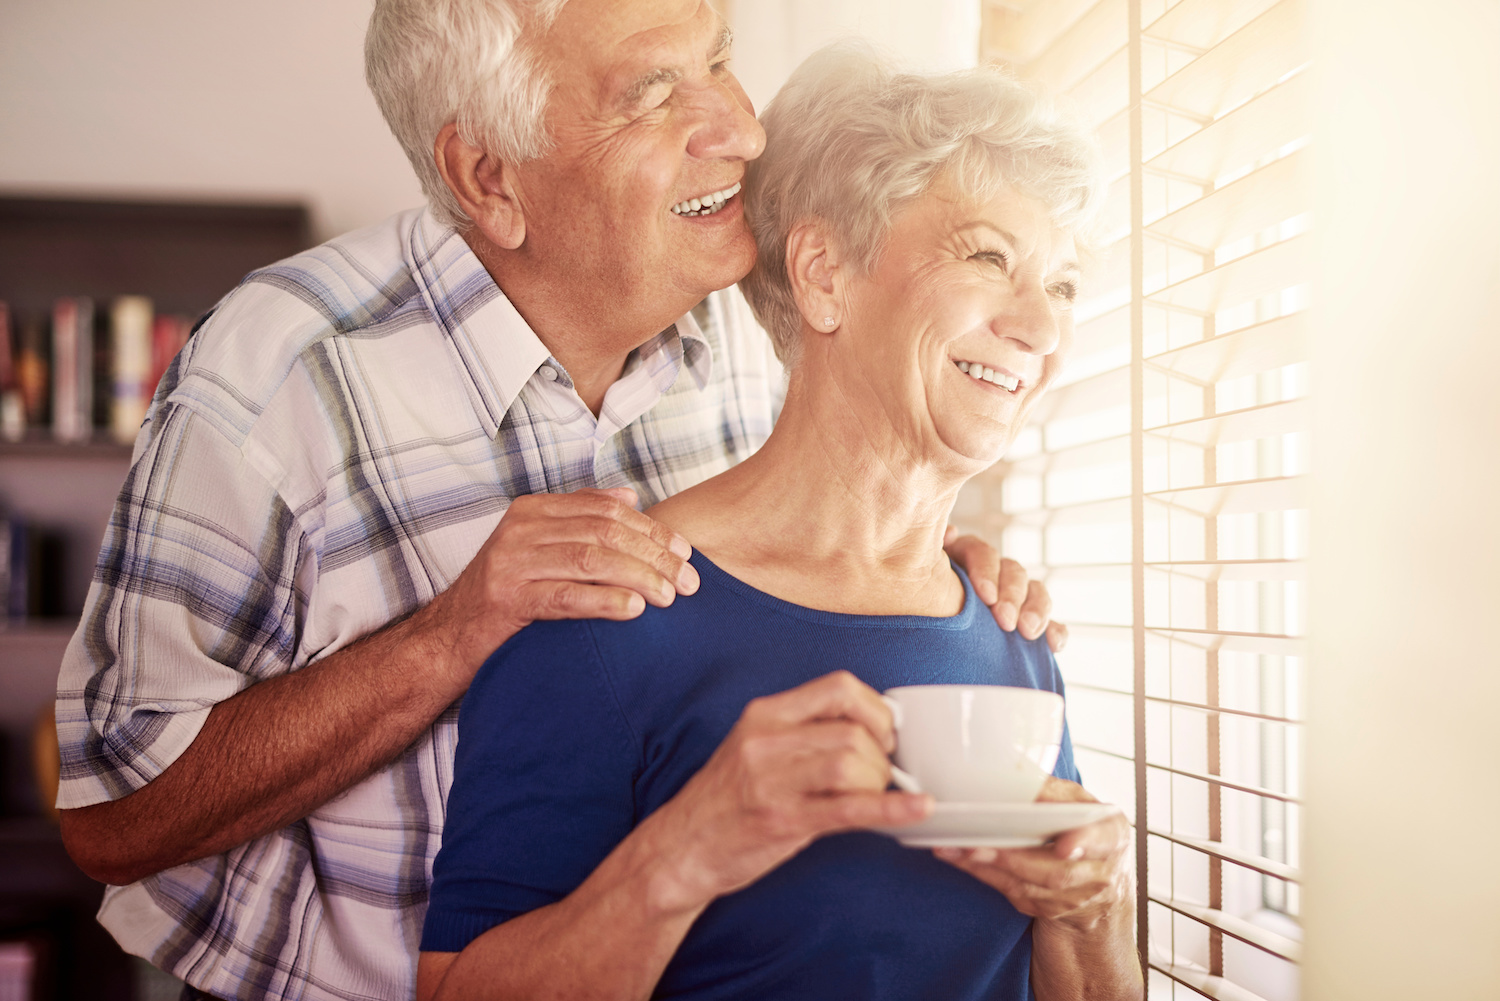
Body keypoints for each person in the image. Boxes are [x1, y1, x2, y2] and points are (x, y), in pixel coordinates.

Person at [51, 2, 1060, 999]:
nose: (741, 129)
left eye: (717, 61)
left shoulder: (742, 345)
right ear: (487, 175)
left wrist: (913, 568)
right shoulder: (279, 376)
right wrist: (451, 633)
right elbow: (114, 816)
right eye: (655, 91)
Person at [417, 45, 1140, 1001]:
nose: (1041, 331)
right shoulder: (610, 616)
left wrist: (1093, 911)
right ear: (825, 274)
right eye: (988, 257)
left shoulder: (1014, 640)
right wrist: (687, 850)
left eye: (1063, 286)